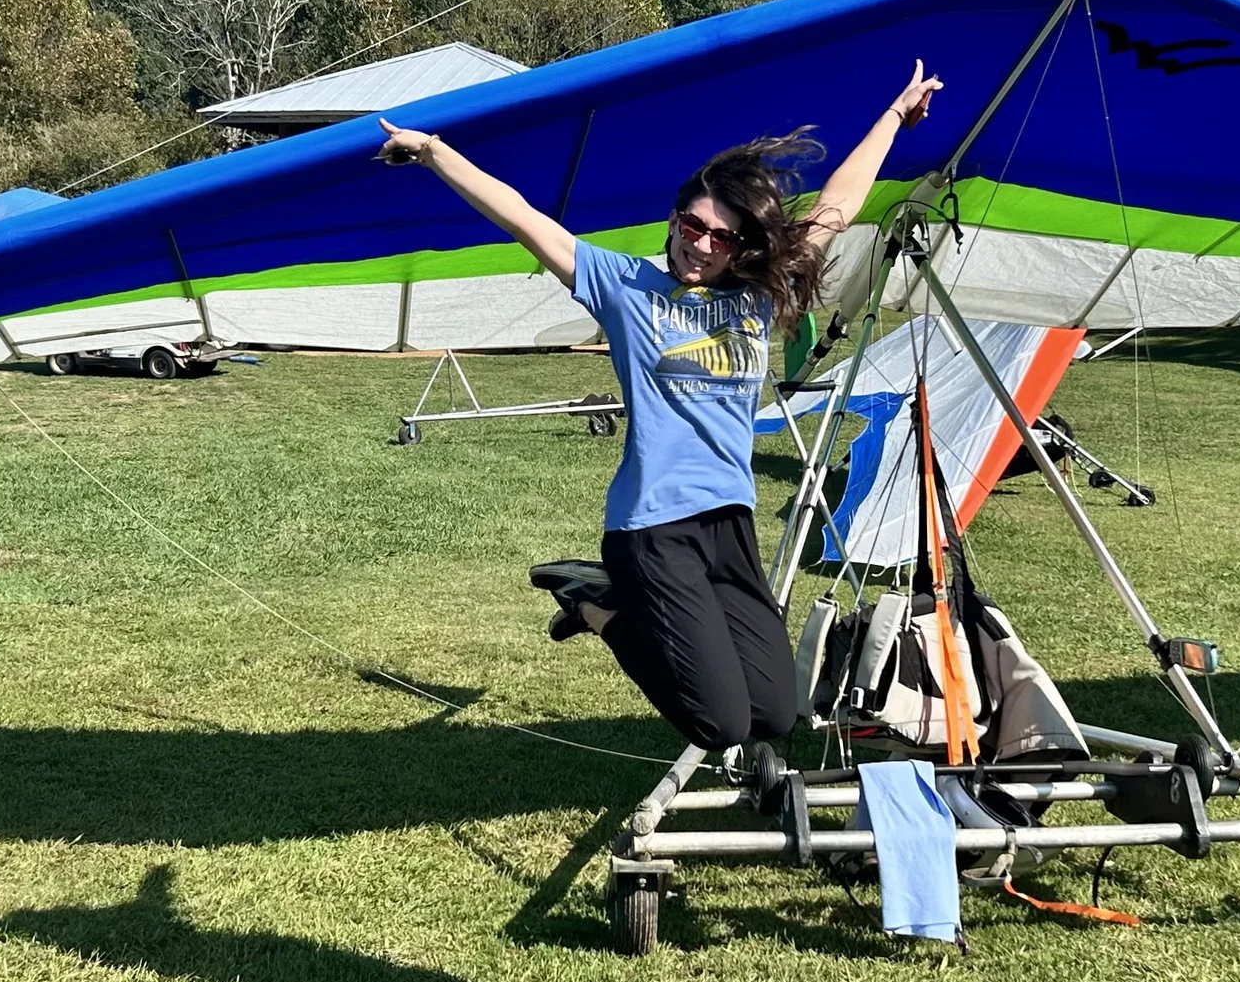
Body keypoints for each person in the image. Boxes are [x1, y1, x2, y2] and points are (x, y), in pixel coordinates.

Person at [378, 62, 943, 754]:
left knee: (772, 713)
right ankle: (600, 609)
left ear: (741, 246)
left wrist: (891, 117)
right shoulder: (626, 288)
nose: (699, 243)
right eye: (691, 224)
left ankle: (621, 611)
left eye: (720, 236)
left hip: (728, 522)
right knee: (722, 725)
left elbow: (837, 207)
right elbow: (523, 217)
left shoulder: (755, 299)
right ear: (675, 218)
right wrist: (435, 152)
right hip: (653, 526)